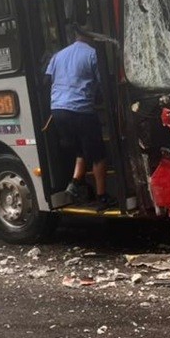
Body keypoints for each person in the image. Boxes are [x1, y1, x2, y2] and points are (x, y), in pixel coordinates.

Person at [45, 27, 116, 210]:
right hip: (80, 110)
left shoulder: (58, 55)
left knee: (81, 150)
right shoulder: (93, 54)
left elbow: (47, 80)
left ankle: (75, 183)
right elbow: (103, 84)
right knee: (99, 155)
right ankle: (102, 196)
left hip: (58, 110)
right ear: (92, 37)